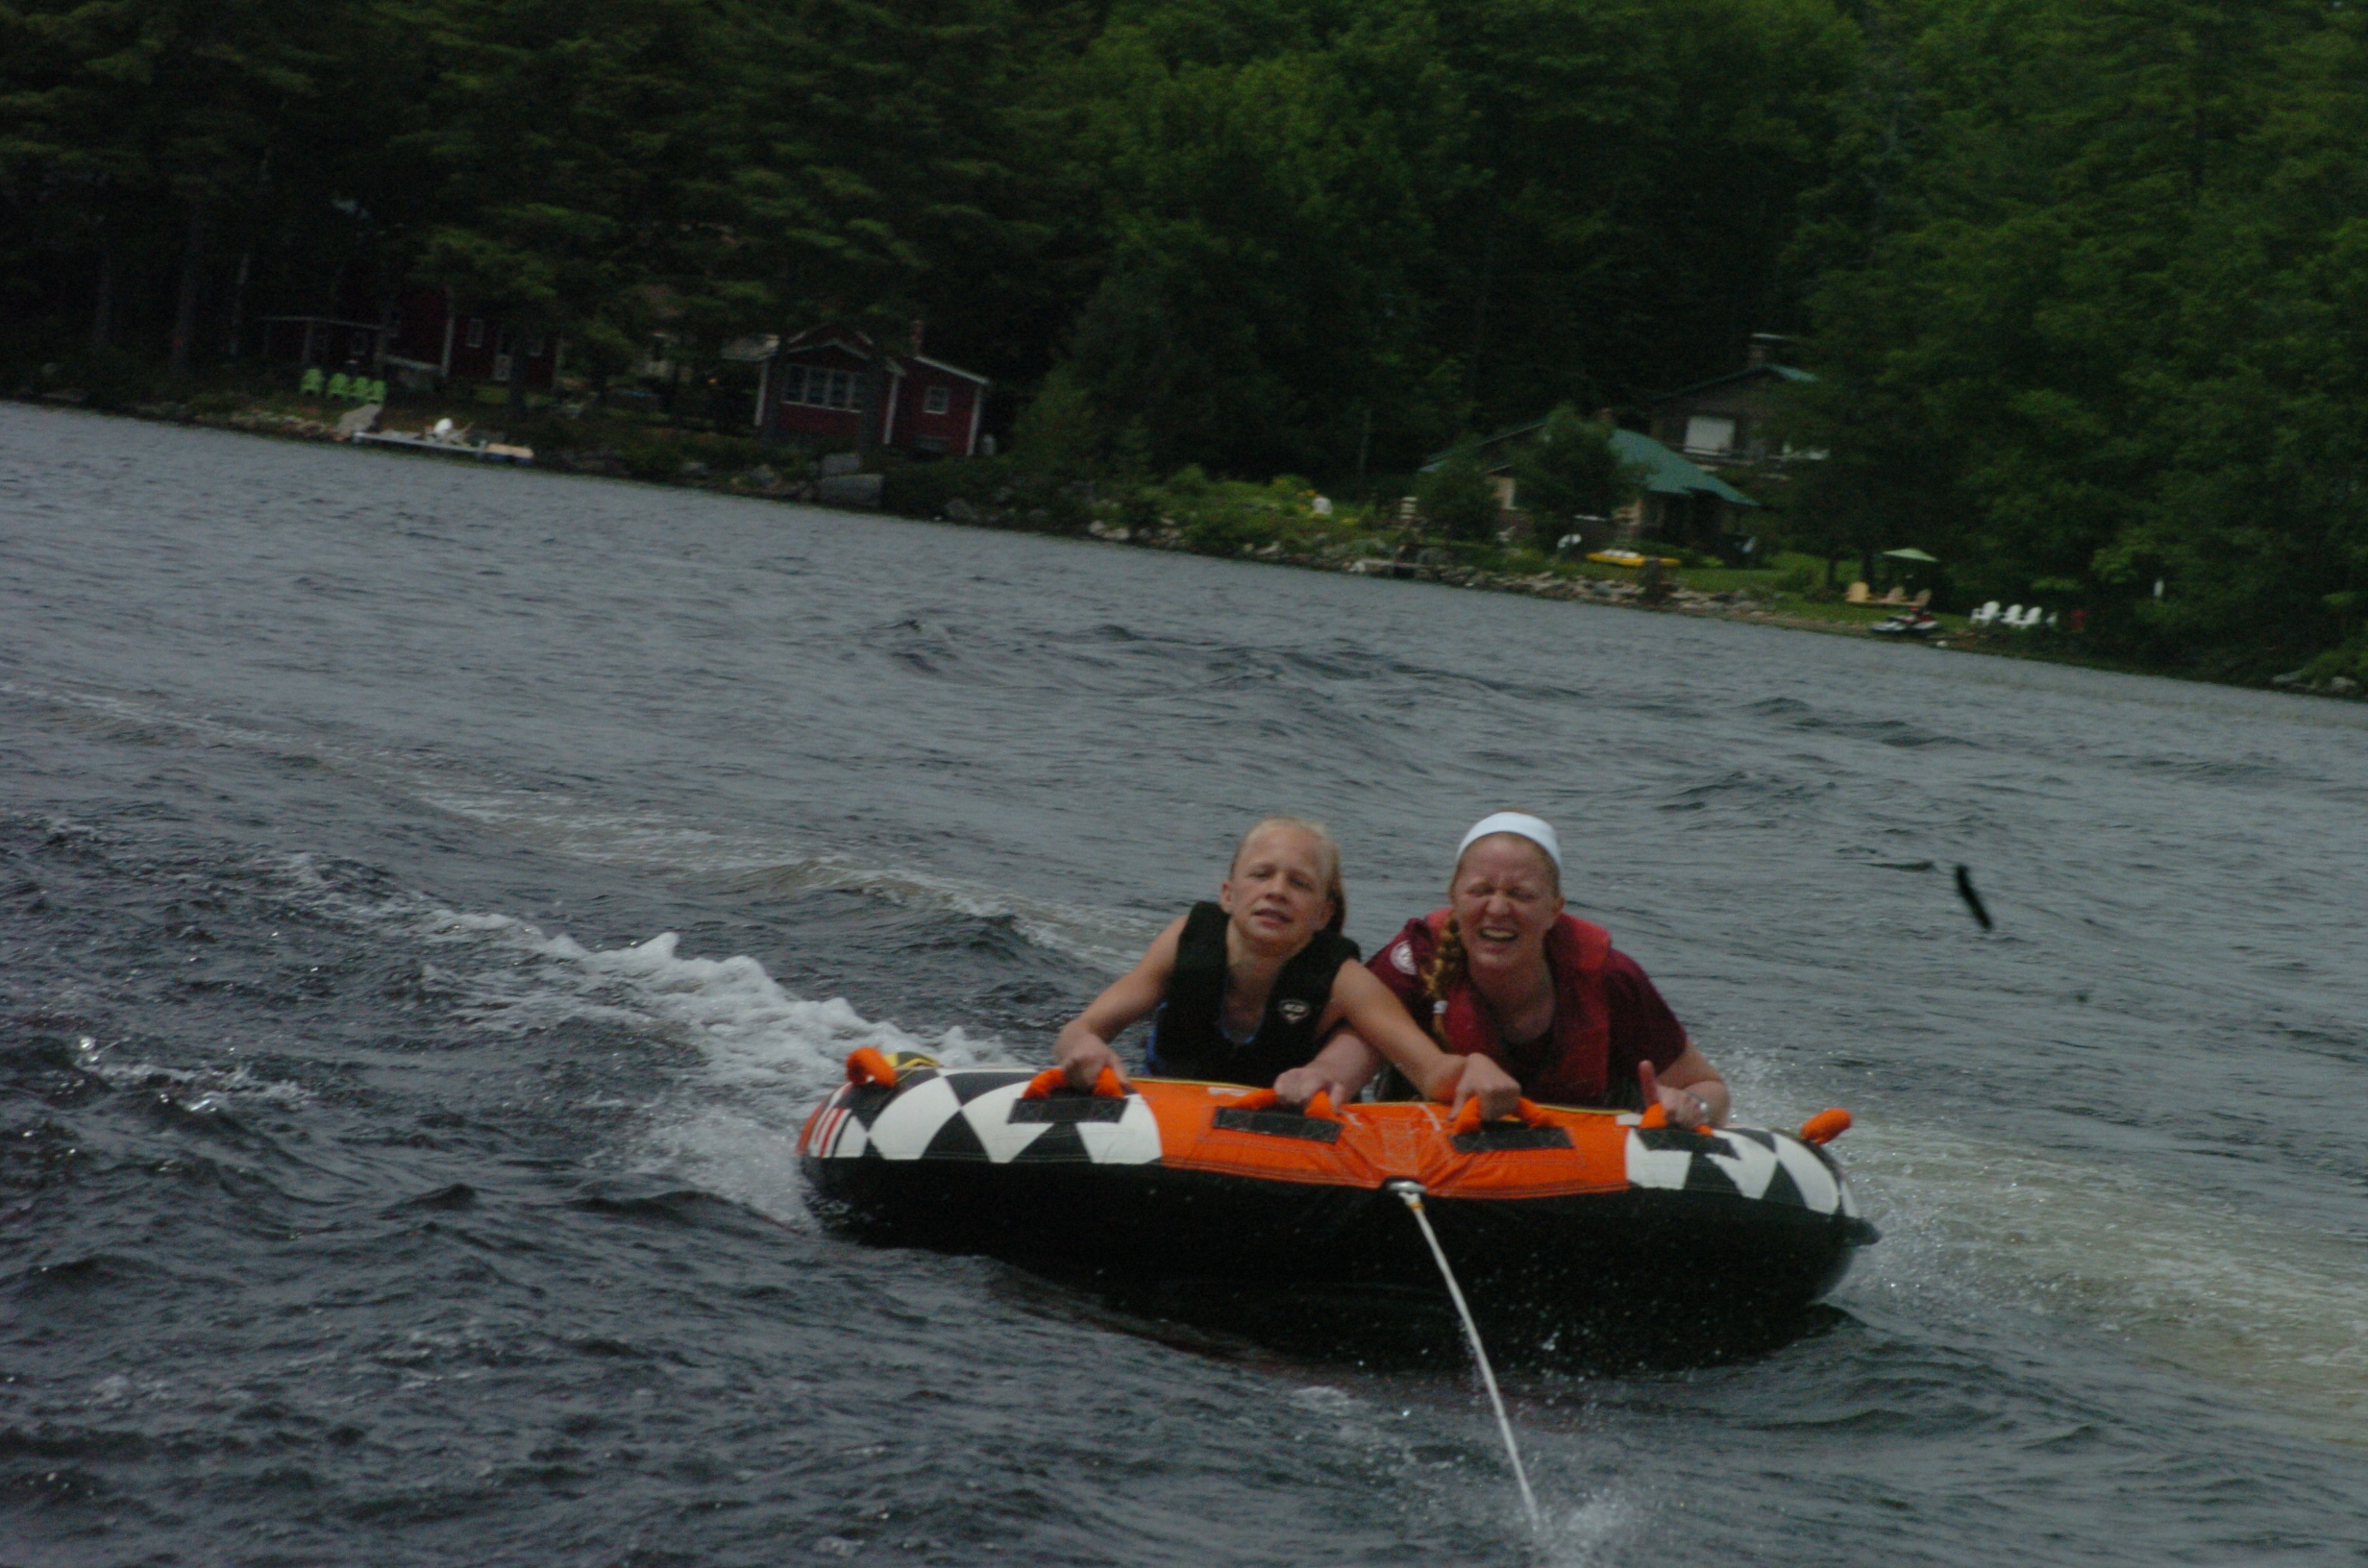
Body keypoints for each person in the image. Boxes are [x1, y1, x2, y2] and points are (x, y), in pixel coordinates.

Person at [1281, 812, 1730, 1128]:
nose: (1498, 909)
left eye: (1521, 894)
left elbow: (1709, 1087)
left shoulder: (1609, 978)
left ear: (1555, 910)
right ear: (1454, 897)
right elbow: (1359, 1045)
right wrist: (1324, 1074)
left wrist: (1692, 1106)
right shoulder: (1415, 960)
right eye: (1481, 890)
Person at [1051, 817, 1520, 1116]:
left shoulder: (1345, 981)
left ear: (1323, 914)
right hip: (1169, 1113)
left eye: (1299, 883)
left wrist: (1475, 1069)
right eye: (1261, 875)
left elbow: (1432, 1071)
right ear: (1228, 895)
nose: (1276, 891)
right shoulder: (1184, 942)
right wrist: (1084, 1046)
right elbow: (1081, 1029)